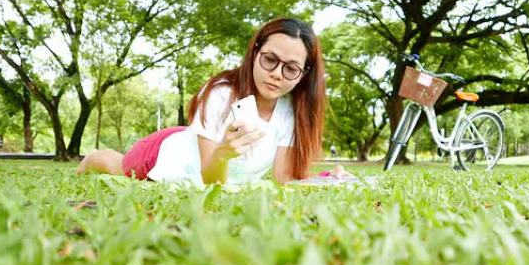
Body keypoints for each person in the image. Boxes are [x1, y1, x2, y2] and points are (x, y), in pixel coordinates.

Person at [77, 18, 349, 185]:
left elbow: (285, 179)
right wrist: (223, 153)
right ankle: (91, 158)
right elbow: (211, 182)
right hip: (163, 155)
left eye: (290, 68)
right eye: (270, 60)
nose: (276, 75)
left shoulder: (290, 112)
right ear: (255, 52)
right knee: (117, 168)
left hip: (194, 139)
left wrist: (327, 179)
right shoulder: (221, 92)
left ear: (304, 75)